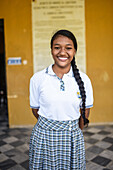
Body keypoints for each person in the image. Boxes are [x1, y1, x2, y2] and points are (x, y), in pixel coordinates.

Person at [29, 29, 93, 170]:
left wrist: (70, 130)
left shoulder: (84, 80)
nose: (62, 52)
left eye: (68, 48)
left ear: (74, 51)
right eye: (57, 47)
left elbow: (85, 113)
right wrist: (51, 127)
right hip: (44, 137)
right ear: (51, 50)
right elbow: (35, 110)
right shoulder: (38, 79)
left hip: (72, 138)